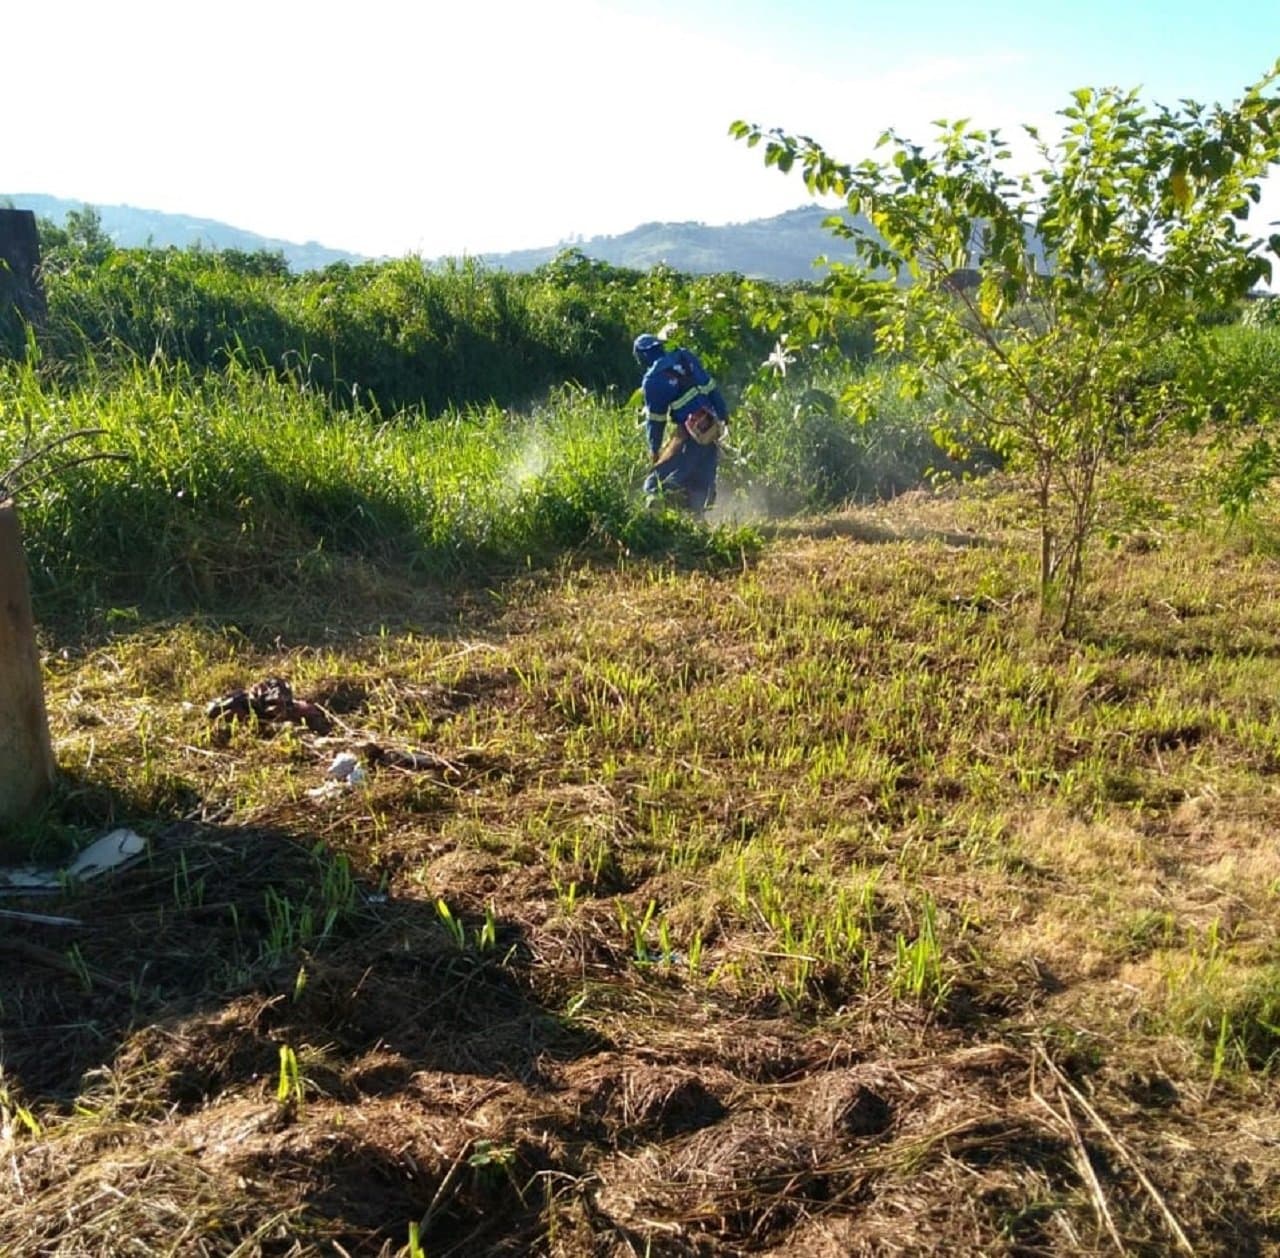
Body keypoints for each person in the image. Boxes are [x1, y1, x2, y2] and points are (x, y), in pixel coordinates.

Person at [633, 333, 729, 514]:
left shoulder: (653, 379)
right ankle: (696, 520)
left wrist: (654, 450)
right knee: (701, 482)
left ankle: (654, 517)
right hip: (711, 429)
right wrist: (723, 414)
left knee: (656, 482)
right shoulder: (685, 356)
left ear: (642, 356)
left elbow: (656, 421)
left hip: (689, 434)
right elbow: (711, 388)